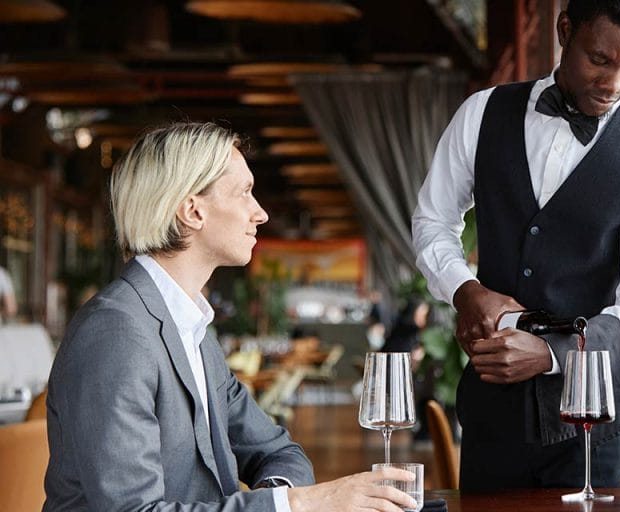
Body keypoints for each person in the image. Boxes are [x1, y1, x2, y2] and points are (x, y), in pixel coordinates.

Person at [44, 123, 417, 512]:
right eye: (244, 192)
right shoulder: (116, 333)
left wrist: (283, 498)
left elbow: (278, 450)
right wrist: (299, 504)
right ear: (192, 210)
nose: (261, 213)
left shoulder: (192, 329)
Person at [412, 0, 620, 491]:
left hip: (597, 424)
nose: (614, 84)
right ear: (564, 31)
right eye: (600, 60)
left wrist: (552, 353)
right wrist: (465, 290)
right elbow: (433, 221)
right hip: (494, 413)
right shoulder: (481, 114)